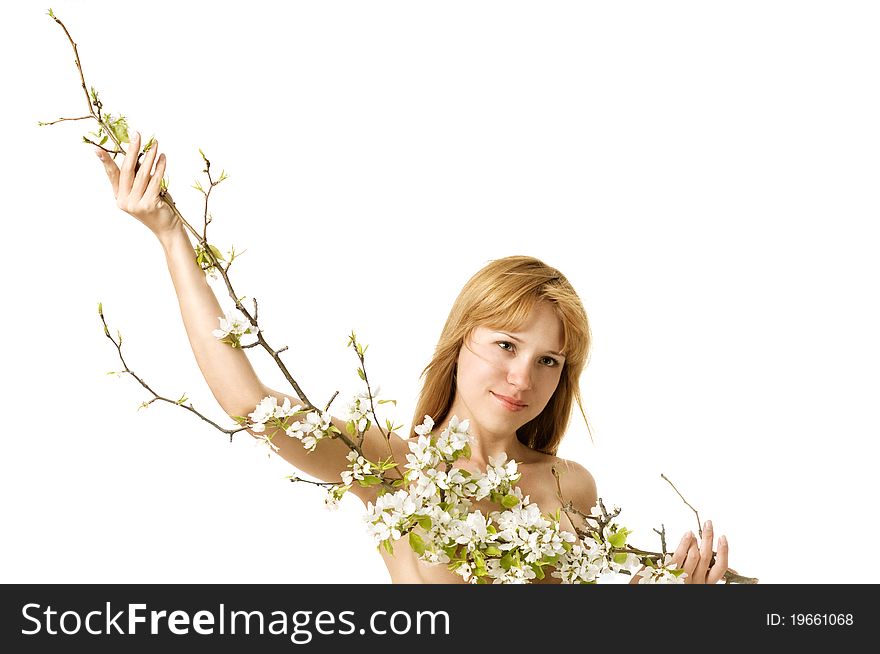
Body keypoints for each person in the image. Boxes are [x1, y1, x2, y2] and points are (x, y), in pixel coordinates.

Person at [94, 132, 731, 584]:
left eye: (548, 362)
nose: (522, 377)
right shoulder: (389, 467)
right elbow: (248, 402)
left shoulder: (569, 486)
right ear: (460, 344)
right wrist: (171, 233)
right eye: (507, 346)